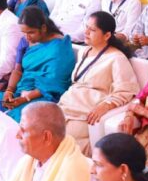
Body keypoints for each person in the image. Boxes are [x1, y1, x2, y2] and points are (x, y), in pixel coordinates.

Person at [58, 10, 139, 153]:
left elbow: (126, 90)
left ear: (107, 35)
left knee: (64, 141)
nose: (86, 32)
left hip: (86, 112)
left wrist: (107, 105)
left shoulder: (117, 58)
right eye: (86, 27)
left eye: (92, 30)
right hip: (67, 104)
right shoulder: (84, 51)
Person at [0, 7, 75, 122]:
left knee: (16, 118)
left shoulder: (59, 48)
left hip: (44, 95)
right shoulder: (28, 40)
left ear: (43, 28)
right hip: (20, 91)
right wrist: (9, 91)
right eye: (24, 33)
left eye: (31, 32)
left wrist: (25, 98)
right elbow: (18, 70)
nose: (27, 37)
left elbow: (53, 83)